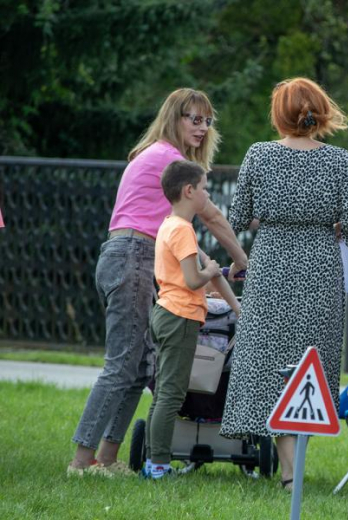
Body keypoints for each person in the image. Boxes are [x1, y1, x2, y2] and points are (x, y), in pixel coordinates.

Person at [68, 88, 248, 477]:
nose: (201, 128)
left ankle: (108, 459)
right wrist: (240, 260)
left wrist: (215, 270)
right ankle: (81, 462)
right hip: (131, 258)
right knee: (121, 366)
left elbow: (185, 240)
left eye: (206, 121)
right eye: (192, 118)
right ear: (173, 117)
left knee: (138, 368)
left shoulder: (153, 155)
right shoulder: (170, 159)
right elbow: (212, 216)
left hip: (131, 258)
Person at [219, 77, 348, 491]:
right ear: (319, 112)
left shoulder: (259, 155)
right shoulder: (338, 161)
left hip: (270, 266)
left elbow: (239, 214)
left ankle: (288, 468)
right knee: (308, 362)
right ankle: (291, 464)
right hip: (320, 270)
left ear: (279, 114)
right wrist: (328, 226)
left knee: (269, 362)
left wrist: (272, 225)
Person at [143, 161, 240, 479]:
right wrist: (211, 272)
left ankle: (151, 461)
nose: (207, 194)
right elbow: (193, 279)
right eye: (204, 188)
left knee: (164, 392)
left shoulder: (170, 224)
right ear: (188, 191)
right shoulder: (183, 229)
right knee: (172, 393)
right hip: (180, 316)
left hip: (167, 312)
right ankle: (157, 465)